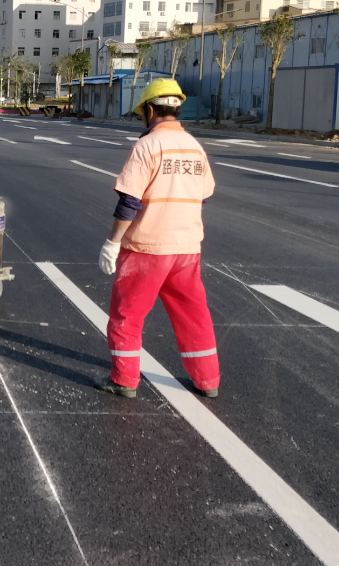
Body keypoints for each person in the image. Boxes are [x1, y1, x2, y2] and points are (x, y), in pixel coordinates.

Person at [95, 79, 220, 399]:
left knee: (128, 315)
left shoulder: (148, 146)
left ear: (149, 111)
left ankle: (124, 380)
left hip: (147, 248)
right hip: (187, 247)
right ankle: (208, 382)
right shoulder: (195, 146)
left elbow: (129, 202)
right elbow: (203, 195)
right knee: (194, 315)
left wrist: (112, 242)